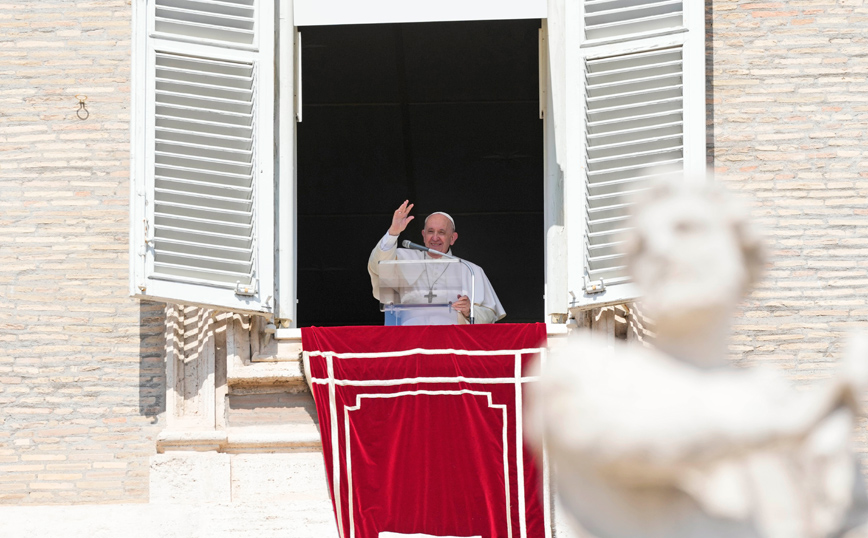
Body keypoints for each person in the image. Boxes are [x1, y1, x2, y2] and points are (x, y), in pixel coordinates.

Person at [368, 200, 505, 325]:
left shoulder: (470, 269)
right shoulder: (404, 257)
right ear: (423, 235)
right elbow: (378, 266)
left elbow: (490, 315)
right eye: (430, 231)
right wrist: (393, 232)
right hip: (409, 336)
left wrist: (469, 311)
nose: (435, 237)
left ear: (452, 238)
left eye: (441, 232)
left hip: (452, 340)